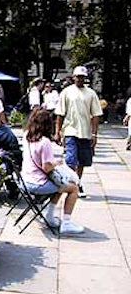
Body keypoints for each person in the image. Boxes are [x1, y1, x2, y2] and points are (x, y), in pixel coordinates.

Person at [22, 108, 84, 235]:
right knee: (73, 188)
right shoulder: (45, 142)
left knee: (60, 183)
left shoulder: (26, 135)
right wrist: (56, 163)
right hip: (38, 184)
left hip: (25, 180)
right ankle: (66, 223)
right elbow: (46, 168)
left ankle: (49, 215)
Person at [54, 66, 102, 198]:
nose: (80, 79)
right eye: (78, 77)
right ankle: (71, 182)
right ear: (73, 77)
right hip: (70, 130)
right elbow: (60, 113)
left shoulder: (91, 94)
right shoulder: (66, 92)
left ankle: (77, 182)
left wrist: (94, 134)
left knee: (82, 161)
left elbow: (96, 115)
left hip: (85, 132)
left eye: (82, 77)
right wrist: (57, 132)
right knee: (70, 160)